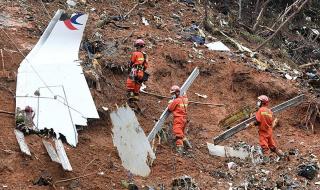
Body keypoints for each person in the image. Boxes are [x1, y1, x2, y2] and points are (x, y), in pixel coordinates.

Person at [254, 95, 284, 162]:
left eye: (259, 101)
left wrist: (251, 124)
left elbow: (258, 121)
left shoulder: (260, 110)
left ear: (262, 102)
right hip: (269, 131)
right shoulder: (270, 111)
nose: (258, 102)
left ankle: (266, 162)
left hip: (263, 131)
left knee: (265, 148)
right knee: (273, 147)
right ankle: (283, 156)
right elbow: (270, 121)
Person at [168, 85, 191, 154]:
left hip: (178, 119)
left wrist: (170, 102)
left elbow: (170, 109)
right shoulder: (185, 99)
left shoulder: (177, 100)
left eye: (173, 94)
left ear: (177, 93)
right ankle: (188, 146)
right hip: (184, 119)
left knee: (178, 133)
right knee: (181, 132)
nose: (173, 95)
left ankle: (179, 150)